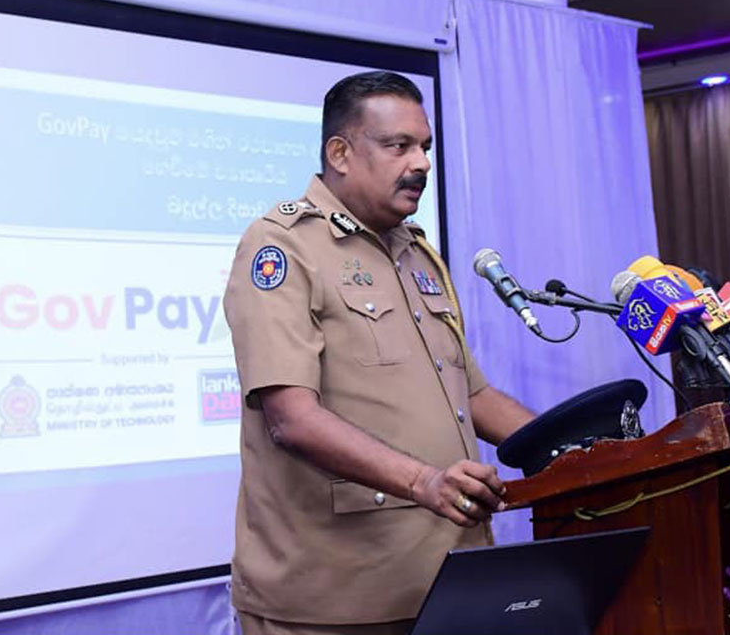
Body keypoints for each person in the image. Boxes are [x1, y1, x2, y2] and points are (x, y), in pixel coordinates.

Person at [223, 71, 536, 635]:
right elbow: (291, 419)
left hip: (446, 579)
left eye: (425, 147)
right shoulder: (282, 246)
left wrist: (573, 449)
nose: (421, 164)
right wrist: (424, 482)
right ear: (340, 153)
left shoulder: (417, 253)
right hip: (333, 599)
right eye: (399, 146)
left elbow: (472, 395)